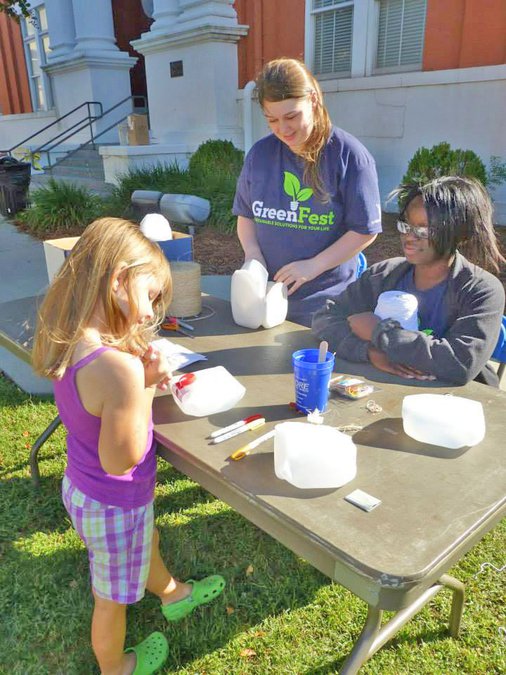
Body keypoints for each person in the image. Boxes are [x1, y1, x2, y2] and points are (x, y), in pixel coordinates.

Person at [32, 218, 225, 675]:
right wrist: (146, 384)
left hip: (83, 489)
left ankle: (173, 593)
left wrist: (134, 379)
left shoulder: (72, 337)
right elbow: (121, 457)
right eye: (151, 295)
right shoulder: (119, 369)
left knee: (147, 541)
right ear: (119, 280)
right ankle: (115, 666)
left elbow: (97, 413)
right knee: (110, 598)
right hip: (115, 501)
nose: (150, 312)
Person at [312, 176, 506, 386]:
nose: (409, 237)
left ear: (461, 234)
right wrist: (369, 352)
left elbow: (461, 363)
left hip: (455, 399)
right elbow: (325, 318)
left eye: (424, 230)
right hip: (384, 391)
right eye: (406, 225)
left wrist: (381, 332)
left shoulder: (481, 290)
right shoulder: (384, 275)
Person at [233, 57, 382, 327]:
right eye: (272, 120)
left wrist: (314, 265)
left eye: (291, 116)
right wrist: (253, 255)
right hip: (264, 298)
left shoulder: (350, 156)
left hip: (325, 305)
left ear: (313, 99)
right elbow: (246, 216)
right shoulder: (260, 155)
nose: (283, 129)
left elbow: (364, 231)